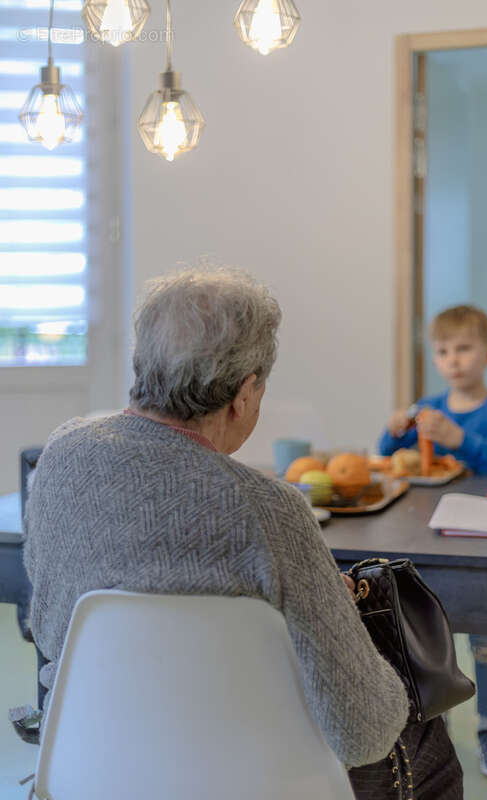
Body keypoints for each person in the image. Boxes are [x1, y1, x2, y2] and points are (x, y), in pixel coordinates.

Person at [21, 267, 462, 798]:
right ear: (245, 393)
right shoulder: (272, 509)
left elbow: (50, 631)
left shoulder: (61, 455)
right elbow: (364, 733)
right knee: (424, 736)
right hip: (251, 777)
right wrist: (334, 610)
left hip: (91, 760)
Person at [378, 304, 487, 780]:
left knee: (485, 637)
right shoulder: (429, 407)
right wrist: (395, 426)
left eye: (464, 349)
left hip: (480, 539)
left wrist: (460, 437)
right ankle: (433, 727)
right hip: (430, 537)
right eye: (443, 351)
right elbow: (386, 453)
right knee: (429, 634)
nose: (453, 359)